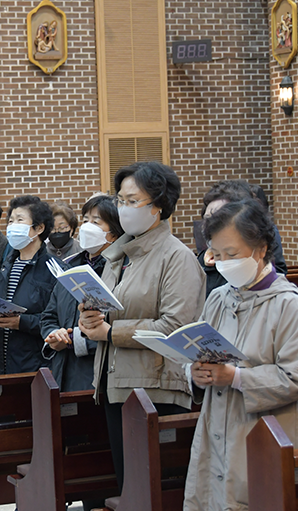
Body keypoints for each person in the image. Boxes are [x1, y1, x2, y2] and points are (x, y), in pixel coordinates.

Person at [78, 161, 206, 491]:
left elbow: (176, 327)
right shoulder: (119, 256)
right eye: (120, 200)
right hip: (114, 382)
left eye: (133, 201)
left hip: (155, 387)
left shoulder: (176, 257)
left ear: (158, 206)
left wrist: (111, 332)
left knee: (149, 489)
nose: (123, 208)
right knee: (129, 488)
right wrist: (91, 319)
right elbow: (109, 311)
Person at [184, 199, 298, 511]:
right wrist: (195, 373)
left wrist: (236, 377)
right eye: (217, 255)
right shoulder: (219, 298)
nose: (223, 263)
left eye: (232, 255)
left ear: (261, 249)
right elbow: (196, 351)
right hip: (214, 430)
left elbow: (293, 377)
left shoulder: (287, 305)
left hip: (261, 438)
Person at [41, 195, 124, 392]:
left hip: (97, 373)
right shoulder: (69, 266)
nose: (88, 226)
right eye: (86, 220)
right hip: (63, 370)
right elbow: (49, 315)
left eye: (96, 221)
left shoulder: (120, 269)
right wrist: (53, 334)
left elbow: (117, 324)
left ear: (113, 232)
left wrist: (72, 342)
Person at [0, 195, 60, 375]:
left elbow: (59, 321)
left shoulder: (54, 269)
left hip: (37, 365)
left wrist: (21, 322)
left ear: (38, 228)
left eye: (20, 220)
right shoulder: (7, 265)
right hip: (4, 361)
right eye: (11, 221)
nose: (13, 226)